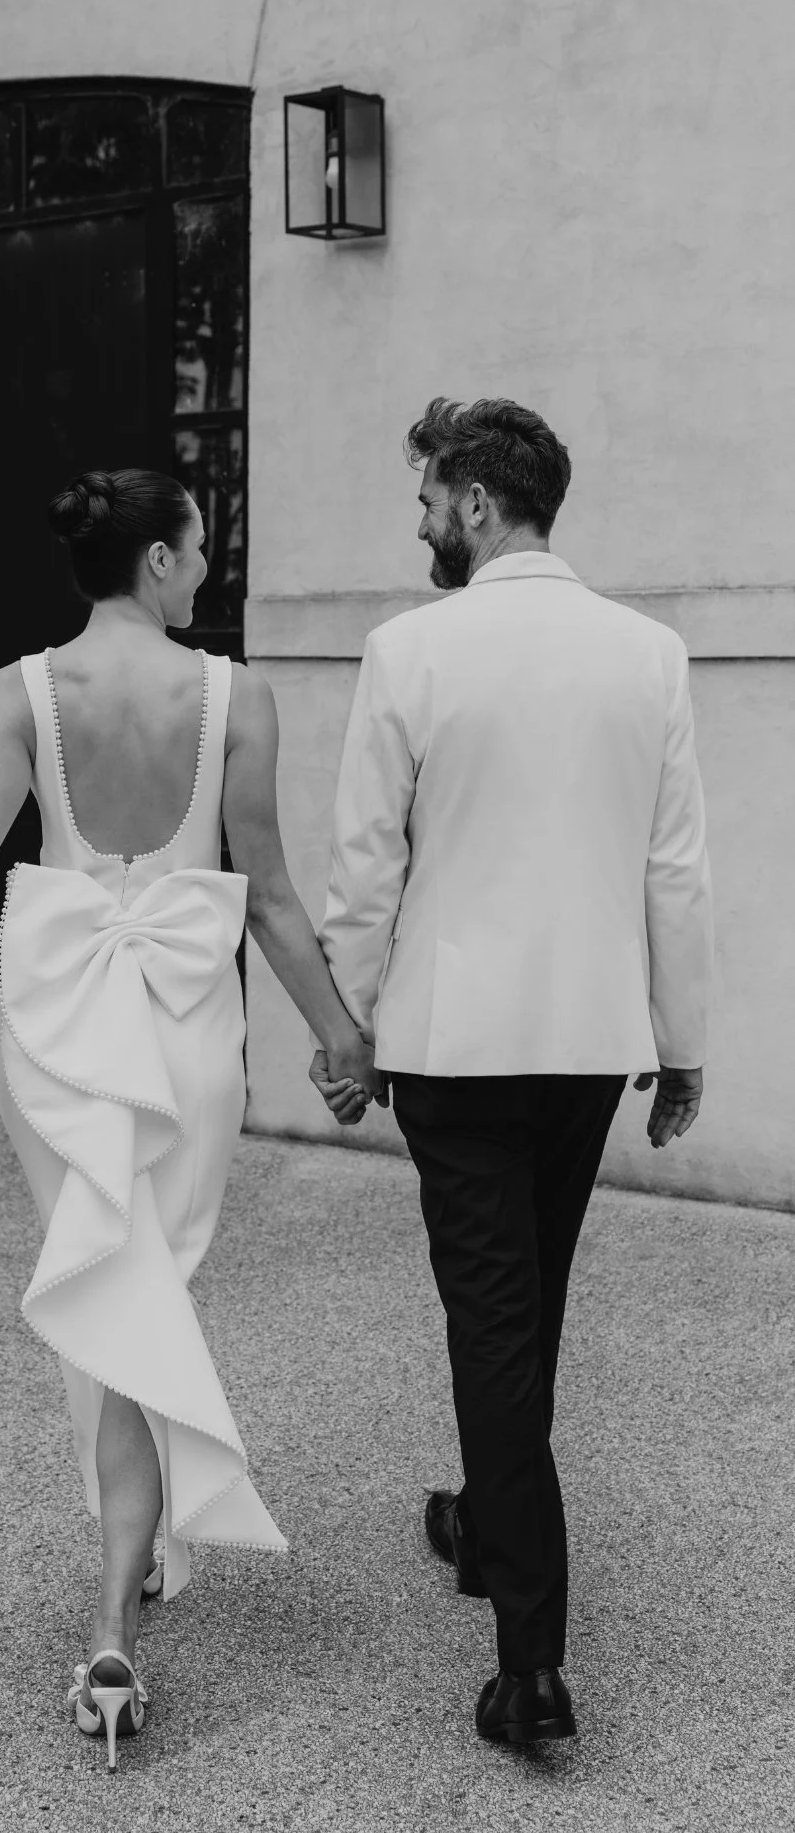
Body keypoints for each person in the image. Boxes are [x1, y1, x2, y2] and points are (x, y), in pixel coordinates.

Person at [0, 467, 378, 1771]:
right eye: (199, 547)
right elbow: (274, 897)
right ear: (160, 563)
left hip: (55, 1034)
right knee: (140, 1287)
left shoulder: (19, 693)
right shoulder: (239, 696)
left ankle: (136, 1558)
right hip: (183, 1034)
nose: (209, 565)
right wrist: (341, 1035)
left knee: (98, 1288)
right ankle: (117, 1605)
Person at [309, 397, 713, 1745]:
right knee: (525, 1297)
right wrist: (683, 1040)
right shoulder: (647, 655)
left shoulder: (409, 650)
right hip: (591, 1043)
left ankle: (530, 1664)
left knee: (491, 1314)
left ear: (479, 504)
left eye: (429, 498)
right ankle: (485, 1520)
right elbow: (676, 872)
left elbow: (366, 865)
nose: (421, 522)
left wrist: (347, 1029)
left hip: (458, 1047)